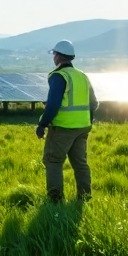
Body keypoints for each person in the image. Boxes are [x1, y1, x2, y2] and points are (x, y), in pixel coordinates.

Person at [35, 40, 98, 203]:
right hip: (83, 127)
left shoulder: (59, 76)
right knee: (80, 165)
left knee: (53, 162)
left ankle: (55, 202)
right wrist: (87, 120)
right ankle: (85, 198)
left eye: (54, 54)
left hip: (63, 128)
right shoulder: (82, 76)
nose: (53, 58)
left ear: (58, 56)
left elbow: (54, 105)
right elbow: (94, 104)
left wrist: (42, 124)